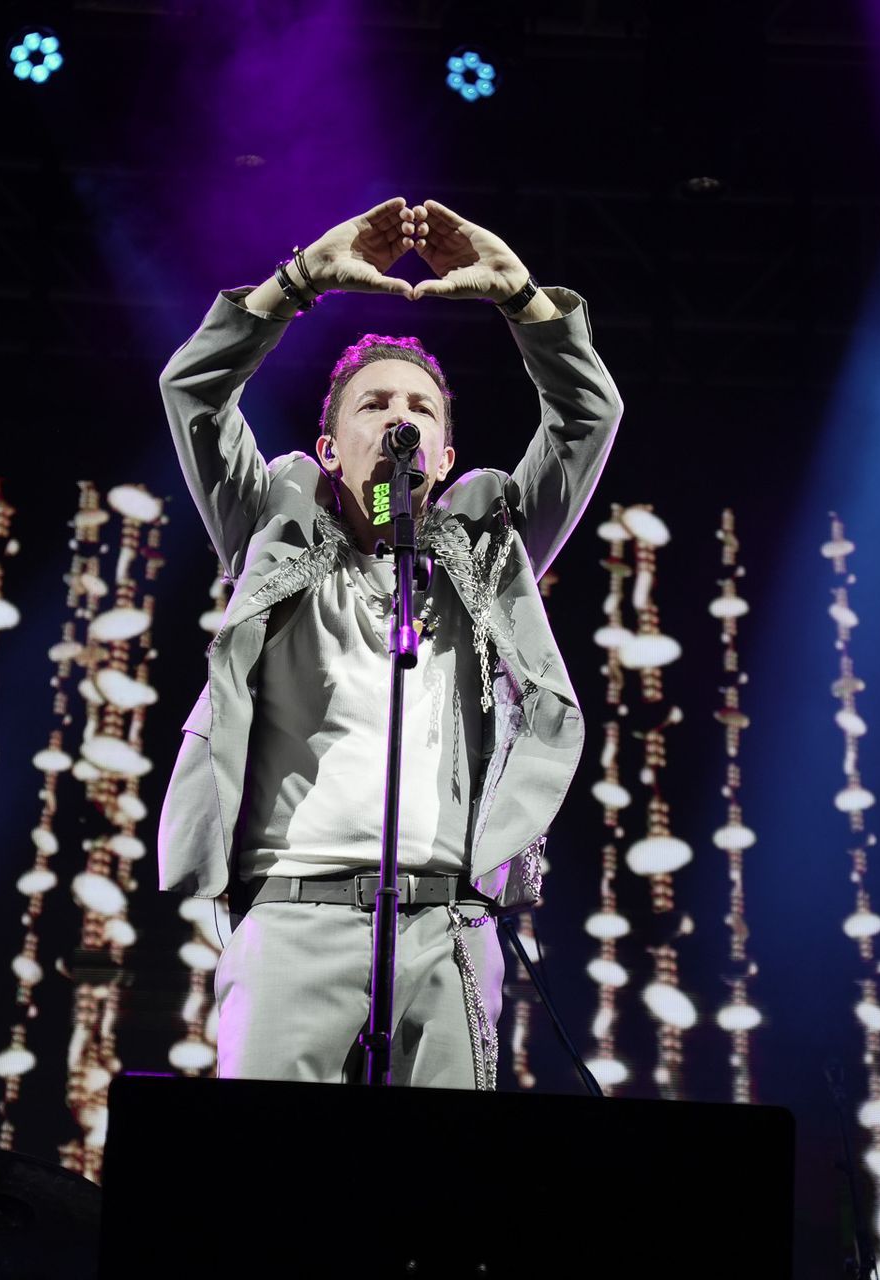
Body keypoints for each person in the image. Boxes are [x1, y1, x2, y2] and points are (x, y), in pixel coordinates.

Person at [155, 197, 620, 1088]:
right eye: (374, 405)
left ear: (445, 454)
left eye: (420, 408)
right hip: (295, 917)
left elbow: (584, 422)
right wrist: (293, 286)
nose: (398, 419)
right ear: (331, 445)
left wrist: (524, 300)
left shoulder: (489, 548)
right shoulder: (272, 526)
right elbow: (196, 393)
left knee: (438, 1213)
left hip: (448, 927)